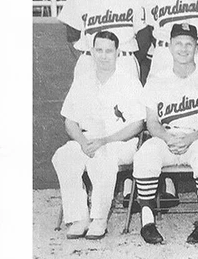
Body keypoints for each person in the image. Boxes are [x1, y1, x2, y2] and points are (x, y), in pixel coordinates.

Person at [134, 23, 198, 245]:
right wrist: (167, 137)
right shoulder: (157, 79)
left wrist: (191, 138)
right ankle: (147, 222)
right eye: (178, 44)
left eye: (189, 44)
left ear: (197, 47)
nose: (183, 49)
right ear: (170, 47)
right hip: (167, 137)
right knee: (145, 155)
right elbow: (152, 122)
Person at [52, 31, 146, 240]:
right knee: (63, 156)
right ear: (92, 52)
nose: (104, 55)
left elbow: (138, 123)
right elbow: (69, 120)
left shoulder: (129, 82)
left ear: (117, 53)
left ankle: (99, 219)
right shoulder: (82, 81)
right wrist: (83, 142)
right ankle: (79, 218)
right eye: (99, 50)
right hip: (87, 139)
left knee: (103, 158)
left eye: (109, 51)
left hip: (119, 141)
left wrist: (105, 140)